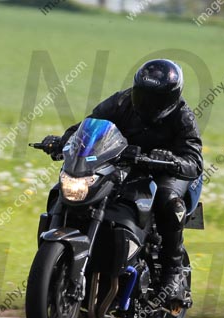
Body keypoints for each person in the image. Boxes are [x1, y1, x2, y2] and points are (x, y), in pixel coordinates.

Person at [41, 58, 203, 304]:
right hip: (125, 164)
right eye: (143, 95)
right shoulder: (120, 101)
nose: (147, 103)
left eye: (155, 98)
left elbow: (194, 159)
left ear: (171, 98)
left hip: (168, 171)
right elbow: (89, 126)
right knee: (69, 188)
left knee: (167, 201)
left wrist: (171, 159)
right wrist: (65, 142)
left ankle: (173, 274)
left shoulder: (182, 116)